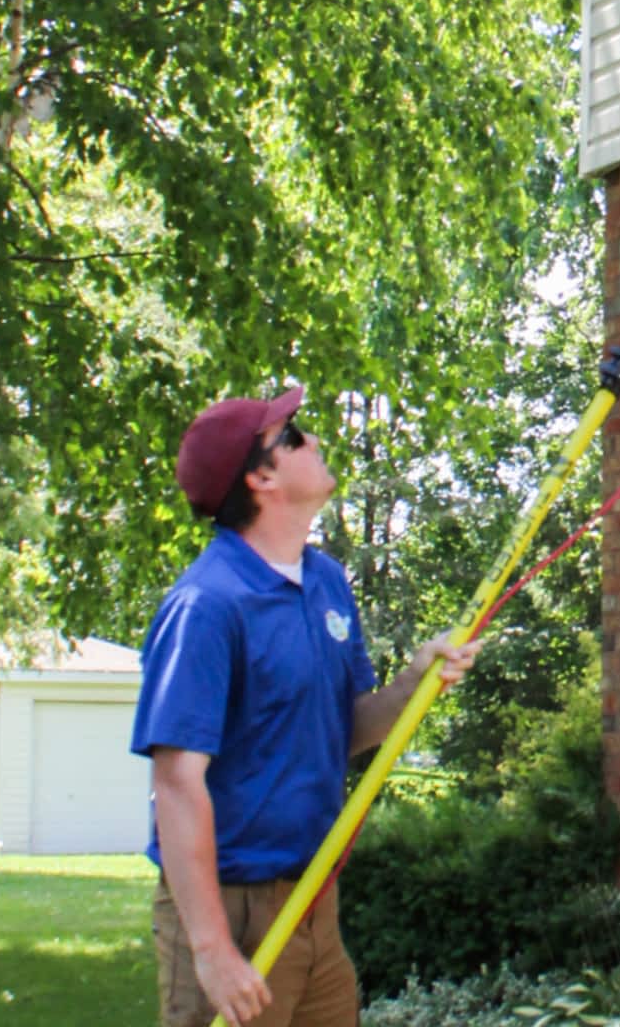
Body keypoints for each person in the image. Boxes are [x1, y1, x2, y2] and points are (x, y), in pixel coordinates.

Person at [131, 385, 479, 1027]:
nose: (313, 440)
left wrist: (413, 683)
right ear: (260, 477)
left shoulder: (325, 581)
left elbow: (338, 732)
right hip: (230, 911)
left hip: (315, 901)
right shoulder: (207, 606)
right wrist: (210, 949)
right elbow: (178, 783)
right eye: (291, 436)